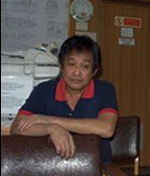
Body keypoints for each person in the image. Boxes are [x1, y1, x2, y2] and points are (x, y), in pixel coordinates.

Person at [10, 35, 119, 164]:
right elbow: (17, 127)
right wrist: (50, 128)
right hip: (52, 168)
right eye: (71, 64)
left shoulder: (104, 89)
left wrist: (50, 120)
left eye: (85, 66)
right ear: (61, 66)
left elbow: (106, 129)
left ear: (94, 71)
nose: (77, 72)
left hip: (99, 169)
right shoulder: (44, 90)